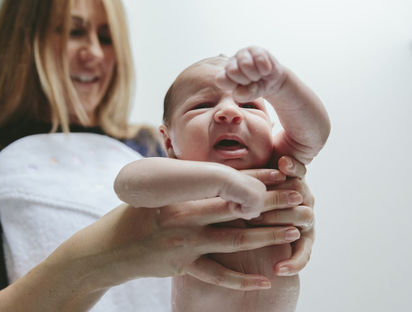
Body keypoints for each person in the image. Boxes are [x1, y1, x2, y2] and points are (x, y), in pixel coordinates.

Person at [0, 0, 315, 311]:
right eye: (74, 33)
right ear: (23, 42)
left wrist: (284, 204)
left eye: (106, 38)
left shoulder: (150, 148)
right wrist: (106, 257)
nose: (94, 54)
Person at [114, 46, 330, 311]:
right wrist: (220, 181)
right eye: (202, 105)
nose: (229, 112)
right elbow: (128, 184)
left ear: (271, 130)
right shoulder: (177, 179)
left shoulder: (278, 162)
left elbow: (316, 134)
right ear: (169, 141)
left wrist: (281, 84)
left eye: (250, 104)